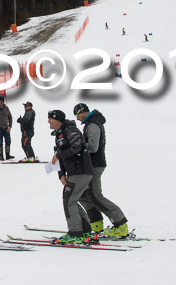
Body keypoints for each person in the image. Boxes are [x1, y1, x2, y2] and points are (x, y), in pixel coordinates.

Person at [74, 103, 129, 238]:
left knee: (95, 195)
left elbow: (93, 147)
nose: (77, 119)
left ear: (83, 112)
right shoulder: (91, 123)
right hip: (91, 164)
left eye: (77, 115)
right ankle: (96, 223)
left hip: (95, 164)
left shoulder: (93, 124)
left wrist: (78, 145)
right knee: (85, 195)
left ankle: (120, 224)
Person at [47, 109, 93, 245]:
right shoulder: (60, 134)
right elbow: (59, 157)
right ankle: (84, 230)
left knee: (69, 201)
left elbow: (76, 147)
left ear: (58, 120)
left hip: (81, 171)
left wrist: (59, 156)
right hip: (75, 172)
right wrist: (61, 175)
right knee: (71, 200)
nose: (48, 121)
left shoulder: (70, 130)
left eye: (51, 118)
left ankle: (75, 232)